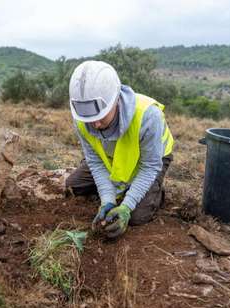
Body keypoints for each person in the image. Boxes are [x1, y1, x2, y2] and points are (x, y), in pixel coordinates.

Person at [65, 60, 174, 238]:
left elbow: (150, 166)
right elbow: (95, 161)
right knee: (73, 186)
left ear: (116, 99)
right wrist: (107, 200)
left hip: (151, 161)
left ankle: (155, 193)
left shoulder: (148, 116)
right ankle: (118, 189)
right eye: (89, 118)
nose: (95, 124)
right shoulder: (81, 120)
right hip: (110, 159)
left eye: (101, 116)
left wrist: (126, 206)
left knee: (137, 216)